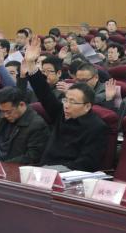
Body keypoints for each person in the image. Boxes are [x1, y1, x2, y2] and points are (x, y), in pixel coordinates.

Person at [23, 37, 109, 171]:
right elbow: (44, 93)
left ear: (87, 106)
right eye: (66, 100)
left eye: (72, 102)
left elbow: (87, 163)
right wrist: (30, 64)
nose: (66, 105)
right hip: (45, 170)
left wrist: (56, 171)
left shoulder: (97, 127)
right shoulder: (61, 113)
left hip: (70, 175)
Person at [0, 86, 50, 164]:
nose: (5, 115)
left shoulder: (37, 125)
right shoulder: (2, 118)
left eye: (9, 112)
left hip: (14, 166)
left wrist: (3, 164)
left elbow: (32, 157)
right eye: (2, 111)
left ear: (21, 104)